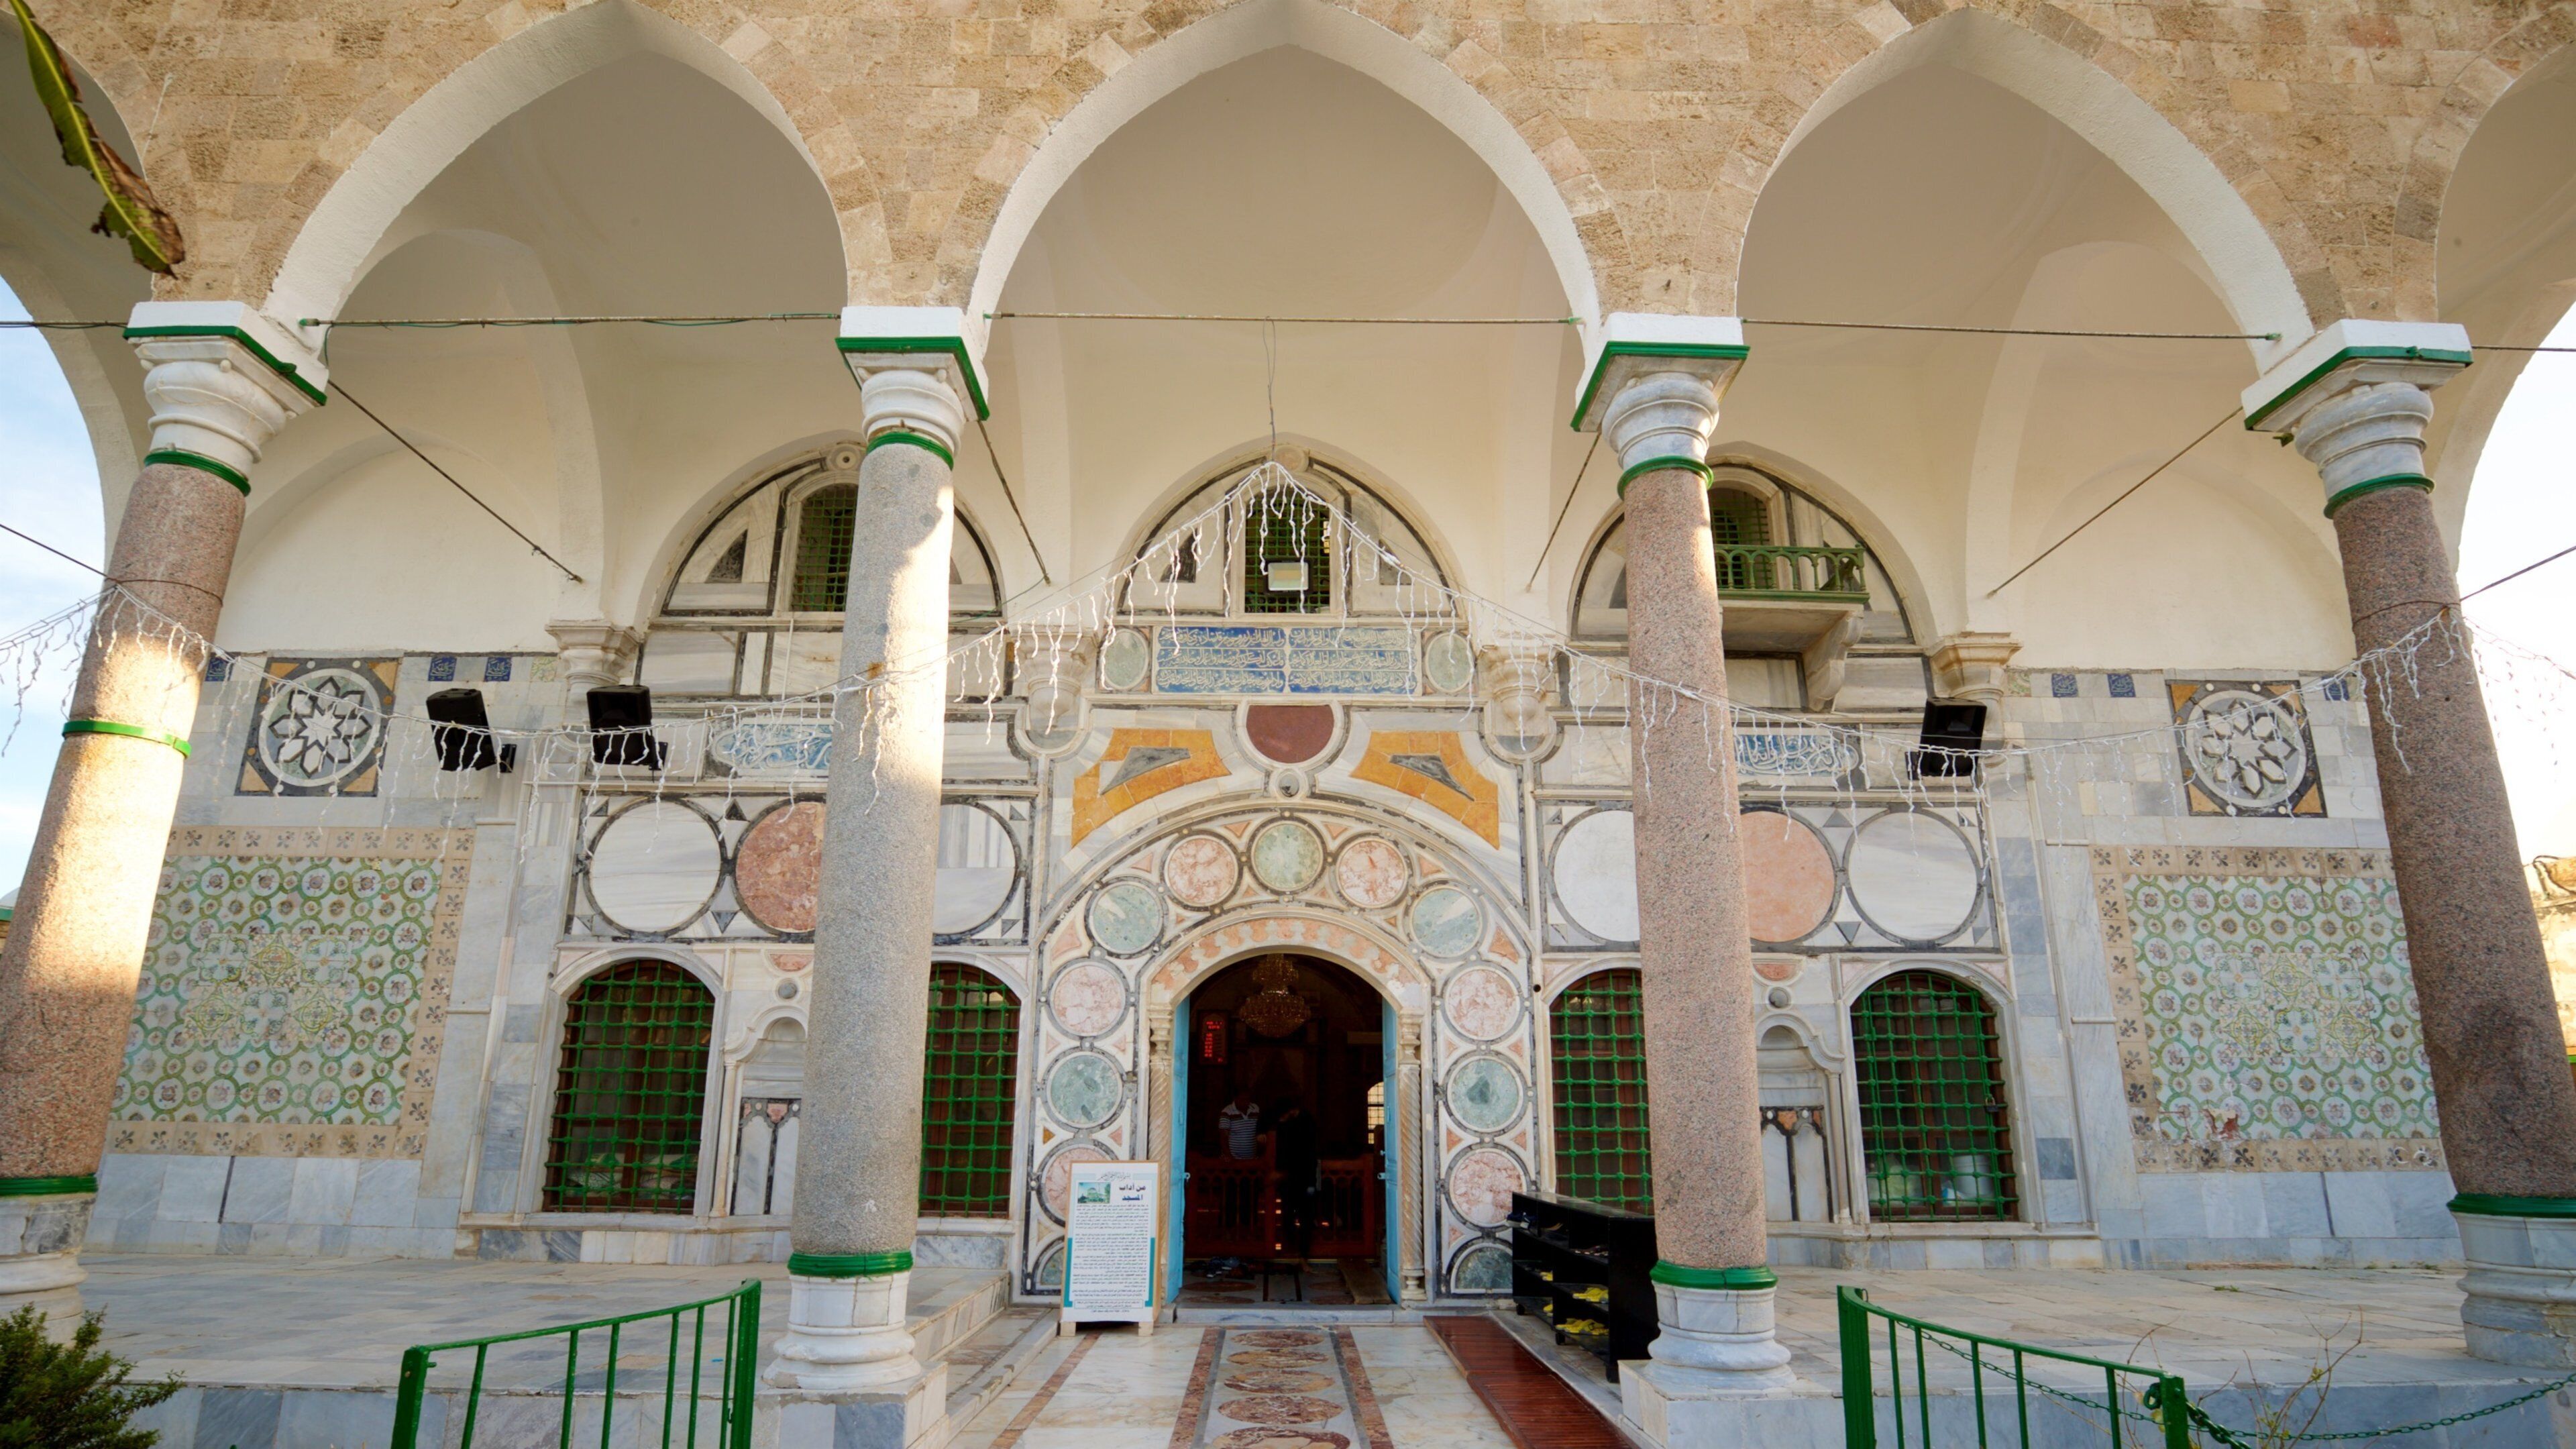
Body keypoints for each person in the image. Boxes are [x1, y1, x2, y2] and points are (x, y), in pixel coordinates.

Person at [1272, 1100, 1318, 1258]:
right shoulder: (1294, 1124)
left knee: (1303, 1218)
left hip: (1301, 1180)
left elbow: (1303, 1155)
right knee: (1290, 1217)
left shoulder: (1302, 1125)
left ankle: (1301, 1252)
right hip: (1295, 1181)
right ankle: (1296, 1251)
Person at [1217, 1090, 1261, 1159]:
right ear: (1235, 1099)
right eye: (1242, 1099)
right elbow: (1223, 1137)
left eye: (1247, 1099)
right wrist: (1229, 1156)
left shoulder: (1255, 1109)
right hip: (1233, 1159)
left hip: (1252, 1159)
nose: (1245, 1102)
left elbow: (1260, 1130)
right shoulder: (1227, 1112)